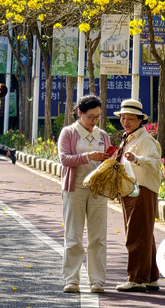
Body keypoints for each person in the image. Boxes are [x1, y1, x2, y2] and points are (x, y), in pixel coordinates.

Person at [58, 95, 113, 294]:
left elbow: (110, 161)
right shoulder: (69, 133)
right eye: (90, 116)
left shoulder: (103, 135)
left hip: (99, 190)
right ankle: (71, 279)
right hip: (75, 189)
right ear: (80, 113)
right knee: (73, 236)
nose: (94, 121)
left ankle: (97, 281)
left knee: (98, 237)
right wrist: (88, 157)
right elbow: (64, 159)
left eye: (98, 117)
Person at [114, 99, 163, 292]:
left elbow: (156, 164)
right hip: (133, 189)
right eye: (123, 118)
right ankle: (150, 277)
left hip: (141, 189)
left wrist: (137, 158)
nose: (125, 122)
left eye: (131, 119)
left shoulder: (144, 140)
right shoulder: (130, 137)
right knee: (143, 234)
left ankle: (136, 279)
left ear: (140, 120)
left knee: (136, 235)